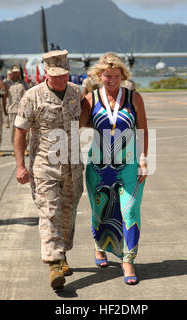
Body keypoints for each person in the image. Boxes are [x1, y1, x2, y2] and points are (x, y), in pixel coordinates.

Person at [14, 50, 84, 291]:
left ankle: (61, 253)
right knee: (49, 212)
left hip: (73, 167)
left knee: (67, 214)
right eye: (56, 76)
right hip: (45, 166)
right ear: (46, 73)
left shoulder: (76, 92)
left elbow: (85, 118)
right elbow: (20, 132)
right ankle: (54, 262)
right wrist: (20, 165)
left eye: (65, 75)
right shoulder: (32, 96)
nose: (62, 79)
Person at [80, 52, 148, 285]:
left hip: (129, 165)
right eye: (107, 76)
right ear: (99, 75)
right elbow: (74, 123)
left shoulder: (133, 97)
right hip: (98, 167)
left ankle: (128, 260)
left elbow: (142, 129)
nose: (112, 80)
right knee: (100, 211)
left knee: (130, 211)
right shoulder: (90, 98)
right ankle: (99, 246)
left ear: (123, 75)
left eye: (116, 76)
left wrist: (144, 159)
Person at [6, 65, 27, 156]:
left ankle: (25, 149)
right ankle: (15, 149)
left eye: (17, 72)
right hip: (12, 110)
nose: (16, 74)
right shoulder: (7, 83)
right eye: (14, 72)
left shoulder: (24, 83)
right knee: (13, 131)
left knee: (24, 130)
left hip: (23, 111)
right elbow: (3, 95)